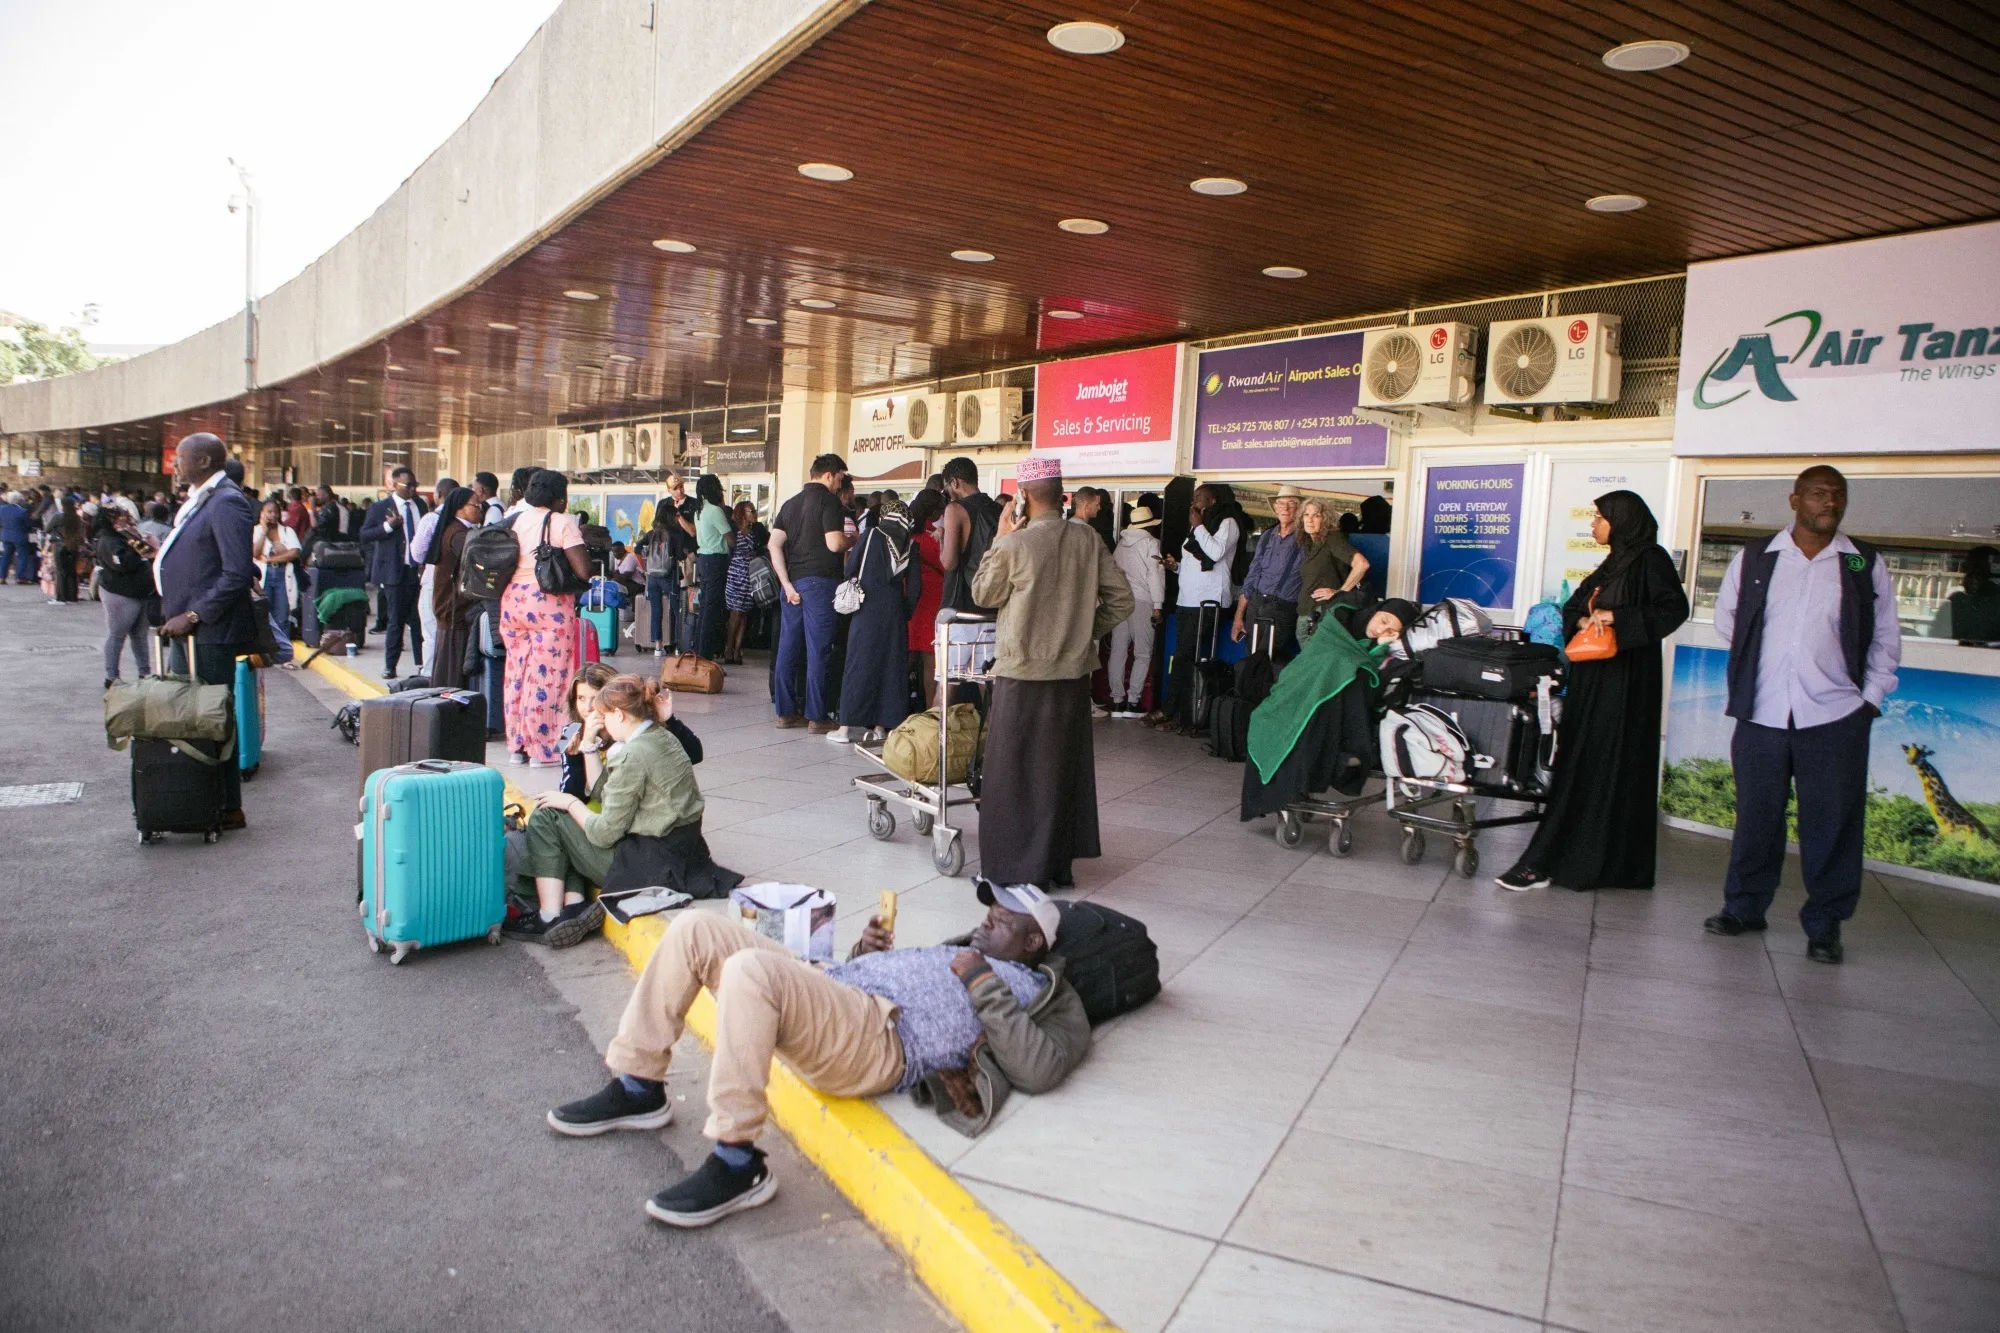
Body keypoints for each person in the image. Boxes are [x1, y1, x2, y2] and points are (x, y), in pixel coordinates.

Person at [548, 879, 1087, 1227]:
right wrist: (862, 954)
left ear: (1033, 943)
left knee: (749, 971)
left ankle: (738, 1162)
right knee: (694, 928)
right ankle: (638, 1084)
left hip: (878, 1042)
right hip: (842, 993)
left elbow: (1038, 1068)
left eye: (1004, 919)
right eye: (990, 910)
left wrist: (982, 981)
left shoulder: (1027, 986)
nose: (988, 919)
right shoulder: (965, 950)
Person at [1706, 465, 1900, 965]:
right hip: (1762, 712)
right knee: (1756, 818)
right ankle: (1744, 908)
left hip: (1836, 716)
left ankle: (1825, 925)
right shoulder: (1757, 557)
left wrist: (1869, 700)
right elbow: (1728, 621)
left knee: (1832, 825)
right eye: (1818, 493)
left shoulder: (1861, 562)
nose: (1829, 502)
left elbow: (1885, 638)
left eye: (1838, 494)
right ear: (1795, 500)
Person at [1497, 492, 1690, 893]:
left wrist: (1617, 617)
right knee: (1581, 762)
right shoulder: (1612, 563)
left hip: (1626, 682)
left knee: (1607, 763)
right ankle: (1565, 858)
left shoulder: (1650, 560)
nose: (1594, 524)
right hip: (1592, 678)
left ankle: (1574, 862)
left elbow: (1673, 609)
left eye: (1600, 517)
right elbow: (1572, 608)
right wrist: (1586, 619)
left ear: (1622, 521)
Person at [971, 458, 1136, 888]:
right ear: (1063, 496)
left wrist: (999, 537)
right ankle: (1056, 867)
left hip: (1022, 676)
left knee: (1013, 776)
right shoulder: (1088, 539)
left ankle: (1012, 868)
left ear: (1023, 496)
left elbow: (983, 592)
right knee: (1058, 772)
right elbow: (1122, 600)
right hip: (1072, 676)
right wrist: (1081, 634)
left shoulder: (1015, 544)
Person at [508, 674, 742, 947]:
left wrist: (571, 804)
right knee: (567, 823)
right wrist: (589, 746)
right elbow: (605, 793)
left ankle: (548, 916)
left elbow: (604, 833)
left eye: (605, 716)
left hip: (648, 865)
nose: (602, 723)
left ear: (619, 715)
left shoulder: (632, 755)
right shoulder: (662, 736)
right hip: (686, 856)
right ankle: (574, 906)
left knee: (547, 816)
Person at [154, 432, 257, 830]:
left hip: (209, 631)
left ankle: (227, 806)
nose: (174, 464)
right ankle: (202, 799)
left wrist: (194, 615)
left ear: (202, 462)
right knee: (195, 717)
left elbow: (236, 573)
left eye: (180, 458)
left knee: (213, 717)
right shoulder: (204, 499)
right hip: (191, 631)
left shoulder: (226, 501)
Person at [500, 469, 591, 767]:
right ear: (559, 497)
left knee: (517, 673)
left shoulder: (514, 518)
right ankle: (546, 749)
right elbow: (583, 570)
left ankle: (517, 747)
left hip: (513, 602)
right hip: (547, 603)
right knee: (550, 676)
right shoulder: (561, 521)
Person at [1144, 484, 1241, 731]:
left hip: (1208, 601)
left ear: (1213, 500)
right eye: (1194, 496)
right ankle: (1180, 714)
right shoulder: (1200, 526)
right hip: (1187, 599)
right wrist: (1175, 567)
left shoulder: (1227, 523)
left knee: (1185, 657)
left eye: (1199, 496)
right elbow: (1194, 564)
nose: (1194, 500)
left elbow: (1215, 553)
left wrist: (1198, 526)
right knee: (1184, 658)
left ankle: (1172, 712)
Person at [769, 453, 853, 732]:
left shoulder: (791, 503)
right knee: (819, 649)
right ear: (828, 475)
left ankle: (785, 713)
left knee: (788, 648)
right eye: (839, 478)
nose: (840, 484)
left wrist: (786, 583)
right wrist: (853, 539)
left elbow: (774, 544)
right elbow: (834, 544)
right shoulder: (829, 502)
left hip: (793, 584)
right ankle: (817, 716)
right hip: (821, 583)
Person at [830, 496, 921, 745]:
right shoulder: (910, 545)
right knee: (890, 668)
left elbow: (850, 569)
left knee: (858, 664)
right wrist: (904, 612)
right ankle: (881, 727)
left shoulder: (871, 535)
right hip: (895, 613)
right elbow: (915, 588)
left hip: (866, 610)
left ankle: (845, 728)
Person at [359, 467, 429, 680]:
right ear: (395, 485)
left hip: (417, 571)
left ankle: (422, 664)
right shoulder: (380, 507)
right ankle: (390, 665)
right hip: (394, 572)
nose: (413, 489)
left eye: (415, 485)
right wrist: (387, 527)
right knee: (395, 620)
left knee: (418, 619)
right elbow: (365, 534)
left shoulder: (420, 505)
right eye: (408, 485)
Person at [1233, 484, 1306, 658]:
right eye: (1281, 503)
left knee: (1267, 658)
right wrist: (1238, 617)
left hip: (1283, 606)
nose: (1286, 508)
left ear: (1299, 509)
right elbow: (1252, 576)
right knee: (1251, 657)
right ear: (1275, 507)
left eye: (1291, 504)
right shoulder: (1267, 536)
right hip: (1256, 603)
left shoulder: (1306, 538)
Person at [427, 486, 487, 690]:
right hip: (454, 609)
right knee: (452, 671)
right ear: (460, 508)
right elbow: (476, 561)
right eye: (475, 506)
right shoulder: (457, 533)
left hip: (452, 609)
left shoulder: (459, 530)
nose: (479, 509)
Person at [1108, 504, 1165, 719]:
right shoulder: (1151, 543)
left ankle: (1117, 702)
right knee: (1142, 653)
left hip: (1120, 601)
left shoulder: (1121, 545)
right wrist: (1158, 605)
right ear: (1149, 526)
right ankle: (1132, 703)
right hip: (1142, 601)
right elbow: (1154, 575)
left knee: (1118, 651)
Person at [93, 508, 155, 686]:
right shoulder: (108, 540)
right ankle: (112, 676)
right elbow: (122, 563)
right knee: (117, 635)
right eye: (123, 518)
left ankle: (144, 673)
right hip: (120, 592)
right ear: (112, 521)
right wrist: (141, 555)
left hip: (140, 590)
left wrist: (142, 544)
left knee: (140, 636)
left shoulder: (124, 536)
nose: (128, 521)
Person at [1295, 496, 1369, 642]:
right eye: (1306, 515)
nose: (1310, 520)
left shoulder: (1332, 538)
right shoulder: (1311, 542)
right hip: (1308, 611)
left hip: (1320, 614)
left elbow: (1362, 564)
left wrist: (1340, 593)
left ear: (1325, 519)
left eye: (1316, 515)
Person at [936, 455, 1003, 614]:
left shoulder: (955, 509)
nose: (948, 495)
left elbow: (949, 563)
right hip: (993, 602)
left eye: (946, 489)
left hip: (961, 604)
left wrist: (942, 538)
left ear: (954, 482)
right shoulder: (998, 509)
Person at [408, 475, 459, 676]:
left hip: (433, 581)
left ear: (439, 495)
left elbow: (417, 554)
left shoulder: (431, 519)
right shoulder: (464, 522)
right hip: (457, 585)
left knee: (431, 633)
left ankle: (430, 675)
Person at [905, 488, 947, 708]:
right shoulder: (934, 537)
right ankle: (932, 711)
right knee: (931, 662)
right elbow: (947, 565)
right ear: (935, 513)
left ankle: (893, 710)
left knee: (905, 659)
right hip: (933, 600)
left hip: (909, 600)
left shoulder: (906, 534)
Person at [250, 496, 302, 661]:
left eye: (275, 512)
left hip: (281, 575)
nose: (272, 515)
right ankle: (265, 652)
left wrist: (271, 559)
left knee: (282, 615)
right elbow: (255, 553)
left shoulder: (287, 531)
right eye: (269, 512)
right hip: (263, 577)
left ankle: (282, 654)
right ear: (262, 513)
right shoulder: (256, 530)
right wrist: (264, 532)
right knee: (263, 615)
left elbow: (294, 552)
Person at [692, 474, 732, 659]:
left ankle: (700, 651)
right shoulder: (715, 511)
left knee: (705, 606)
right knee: (712, 609)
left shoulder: (699, 511)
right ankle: (705, 655)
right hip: (716, 561)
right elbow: (730, 540)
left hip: (704, 560)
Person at [722, 500, 762, 665]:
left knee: (744, 613)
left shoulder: (756, 531)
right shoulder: (734, 530)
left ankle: (738, 649)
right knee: (736, 612)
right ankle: (729, 648)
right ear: (742, 514)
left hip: (750, 574)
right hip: (735, 573)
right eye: (751, 511)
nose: (755, 514)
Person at [1934, 545, 2000, 642]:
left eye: (1978, 574)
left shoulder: (1956, 602)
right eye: (1969, 572)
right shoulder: (1957, 602)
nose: (1970, 578)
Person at [48, 497, 84, 604]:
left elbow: (48, 528)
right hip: (73, 546)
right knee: (71, 571)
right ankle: (72, 596)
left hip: (60, 545)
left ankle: (61, 597)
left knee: (61, 571)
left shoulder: (58, 516)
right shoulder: (77, 517)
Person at [1, 491, 35, 584]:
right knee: (22, 557)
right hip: (20, 536)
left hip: (6, 535)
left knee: (6, 556)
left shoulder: (2, 509)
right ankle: (20, 577)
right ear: (18, 500)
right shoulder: (22, 511)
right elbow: (29, 524)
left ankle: (2, 577)